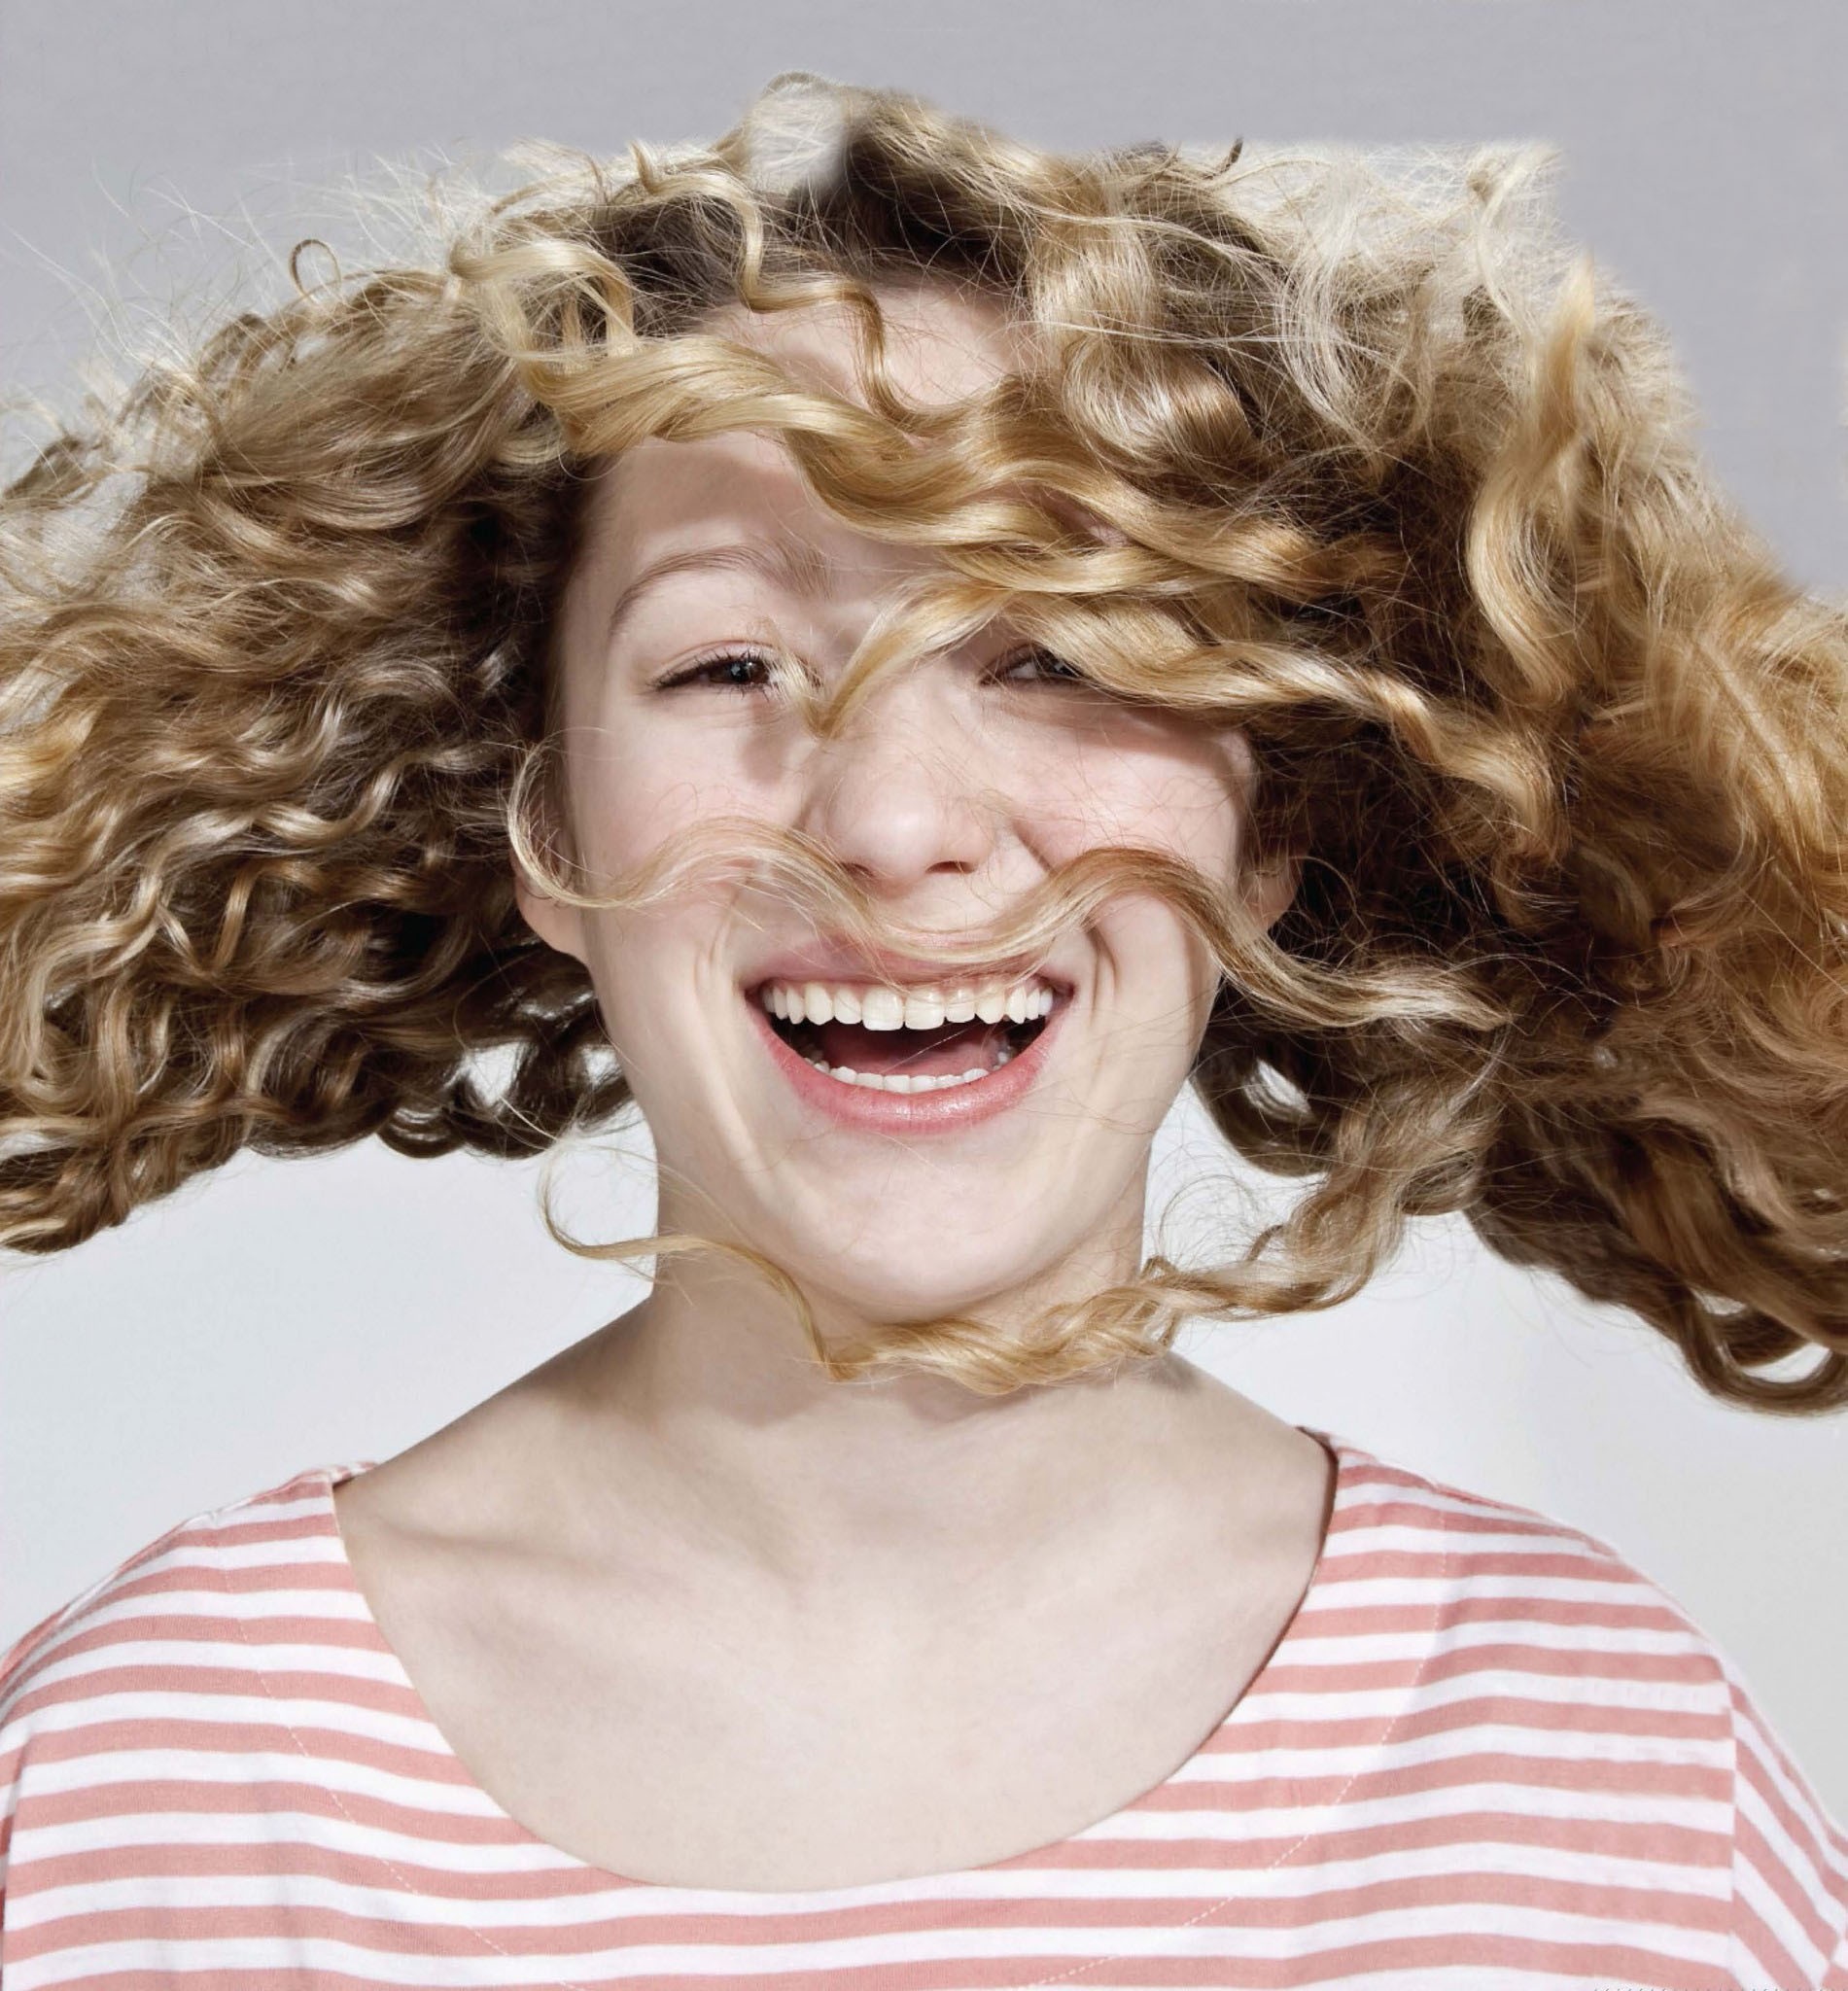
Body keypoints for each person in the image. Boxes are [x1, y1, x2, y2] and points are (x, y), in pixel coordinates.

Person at [1, 69, 1844, 1989]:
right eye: (728, 662)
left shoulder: (1613, 1779)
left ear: (1273, 816)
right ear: (543, 824)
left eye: (1056, 652)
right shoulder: (149, 1788)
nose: (890, 823)